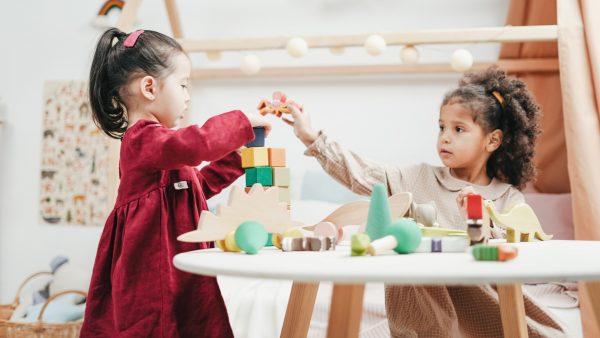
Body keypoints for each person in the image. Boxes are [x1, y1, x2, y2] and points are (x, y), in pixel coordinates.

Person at [283, 67, 569, 337]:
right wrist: (310, 136)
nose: (444, 137)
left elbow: (520, 254)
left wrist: (480, 221)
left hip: (483, 309)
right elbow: (361, 173)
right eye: (441, 127)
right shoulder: (417, 178)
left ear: (492, 141)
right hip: (425, 316)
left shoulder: (508, 198)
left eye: (459, 129)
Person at [80, 28, 271, 337]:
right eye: (183, 85)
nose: (187, 96)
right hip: (151, 273)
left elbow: (197, 186)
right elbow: (194, 146)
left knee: (193, 322)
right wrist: (240, 122)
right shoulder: (142, 139)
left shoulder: (165, 150)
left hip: (180, 269)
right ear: (149, 88)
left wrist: (238, 157)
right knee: (155, 327)